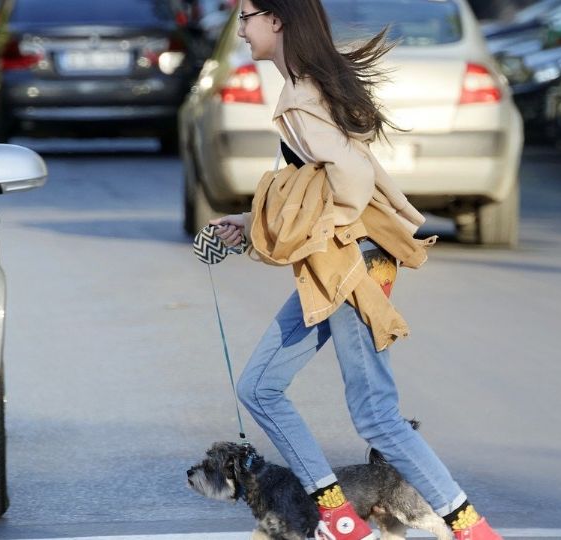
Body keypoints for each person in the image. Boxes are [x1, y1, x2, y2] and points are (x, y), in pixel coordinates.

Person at [209, 1, 503, 539]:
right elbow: (313, 182)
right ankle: (340, 518)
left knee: (377, 416)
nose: (242, 28)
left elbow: (347, 175)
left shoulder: (302, 94)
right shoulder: (306, 86)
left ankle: (471, 531)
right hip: (343, 261)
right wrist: (252, 221)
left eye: (248, 15)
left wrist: (335, 229)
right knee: (260, 388)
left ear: (277, 19)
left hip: (353, 262)